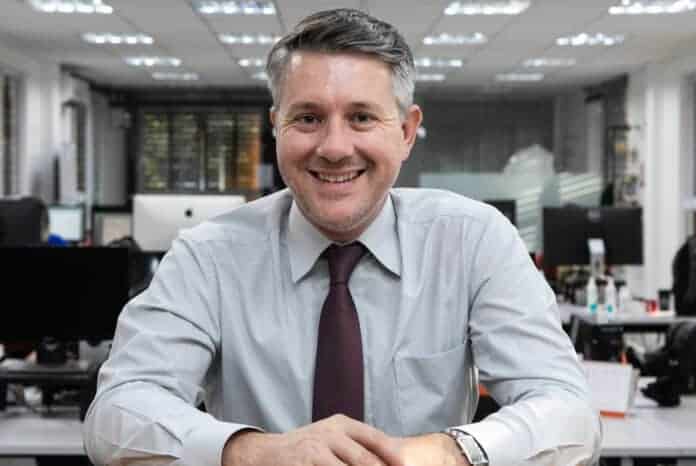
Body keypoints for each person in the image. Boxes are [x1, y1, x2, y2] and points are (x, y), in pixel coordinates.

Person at [83, 8, 601, 466]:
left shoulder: (473, 241)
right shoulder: (208, 256)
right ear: (277, 127)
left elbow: (570, 412)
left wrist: (450, 452)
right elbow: (115, 414)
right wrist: (254, 453)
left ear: (405, 131)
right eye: (308, 118)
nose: (334, 147)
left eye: (361, 117)